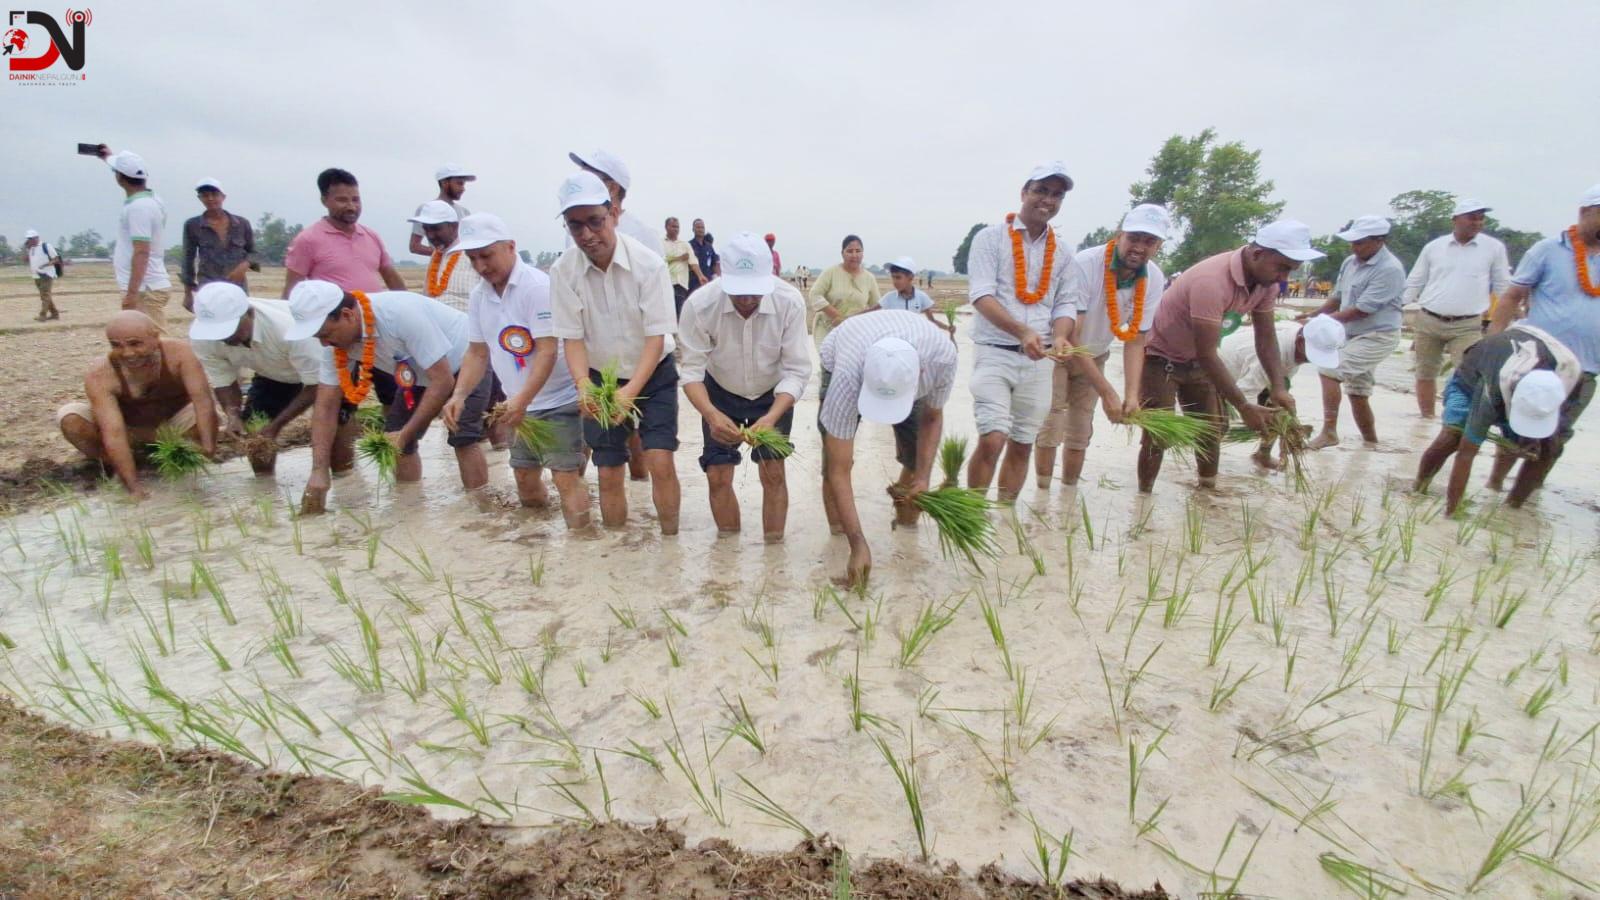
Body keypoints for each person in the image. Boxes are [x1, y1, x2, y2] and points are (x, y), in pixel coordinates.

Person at [1138, 219, 1320, 492]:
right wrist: (1244, 407)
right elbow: (1208, 352)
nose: (1284, 278)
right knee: (1159, 435)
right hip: (1160, 356)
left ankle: (1208, 495)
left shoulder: (1266, 283)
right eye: (1282, 268)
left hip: (1198, 360)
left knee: (1210, 431)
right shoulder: (1211, 281)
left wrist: (1278, 387)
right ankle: (1143, 500)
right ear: (1258, 254)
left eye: (1290, 271)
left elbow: (1266, 336)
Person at [286, 280, 493, 514]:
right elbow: (325, 407)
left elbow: (443, 380)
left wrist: (406, 434)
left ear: (347, 315)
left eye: (325, 334)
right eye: (318, 337)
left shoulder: (398, 315)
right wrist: (319, 470)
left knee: (462, 434)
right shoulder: (334, 345)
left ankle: (480, 510)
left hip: (466, 360)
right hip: (417, 373)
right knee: (394, 441)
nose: (324, 342)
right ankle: (410, 510)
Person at [550, 172, 681, 534]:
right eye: (576, 226)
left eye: (595, 221)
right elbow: (572, 338)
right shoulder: (563, 271)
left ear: (614, 214)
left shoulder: (648, 264)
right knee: (608, 470)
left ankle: (671, 548)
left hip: (653, 371)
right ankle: (616, 556)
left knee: (659, 461)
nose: (587, 235)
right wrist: (583, 386)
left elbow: (657, 336)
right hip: (598, 375)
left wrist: (630, 390)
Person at [444, 214, 591, 528]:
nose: (481, 266)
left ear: (510, 247)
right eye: (472, 259)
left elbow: (548, 350)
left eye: (487, 255)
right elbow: (477, 352)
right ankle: (534, 545)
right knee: (524, 478)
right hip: (517, 406)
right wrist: (459, 394)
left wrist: (522, 400)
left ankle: (584, 547)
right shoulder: (479, 296)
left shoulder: (537, 287)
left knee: (565, 478)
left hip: (559, 400)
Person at [678, 231, 813, 542]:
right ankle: (728, 553)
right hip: (720, 393)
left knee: (773, 472)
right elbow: (692, 372)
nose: (748, 300)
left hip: (773, 394)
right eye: (740, 292)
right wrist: (711, 414)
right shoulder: (700, 305)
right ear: (723, 276)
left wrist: (773, 415)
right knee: (717, 475)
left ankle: (773, 554)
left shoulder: (789, 302)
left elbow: (796, 370)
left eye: (755, 292)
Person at [817, 311, 957, 586]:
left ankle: (905, 526)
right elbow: (839, 469)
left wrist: (924, 478)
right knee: (832, 460)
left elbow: (932, 417)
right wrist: (857, 543)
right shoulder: (848, 373)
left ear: (920, 374)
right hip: (842, 351)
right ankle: (838, 536)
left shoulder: (943, 358)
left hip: (909, 358)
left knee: (916, 459)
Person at [1036, 204, 1170, 489]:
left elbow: (1136, 340)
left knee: (1080, 428)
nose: (1139, 247)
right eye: (1134, 237)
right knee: (1052, 423)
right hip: (1057, 351)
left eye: (1149, 241)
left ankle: (1068, 495)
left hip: (1095, 355)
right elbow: (1072, 335)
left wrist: (1131, 396)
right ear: (1119, 235)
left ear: (1158, 246)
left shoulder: (1154, 278)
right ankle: (1043, 494)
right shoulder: (1086, 264)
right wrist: (1108, 391)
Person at [962, 162, 1075, 501]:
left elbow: (1066, 304)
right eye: (1041, 191)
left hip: (1040, 360)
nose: (1048, 200)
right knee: (993, 436)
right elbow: (981, 295)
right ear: (1024, 193)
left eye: (1057, 195)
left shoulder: (1063, 252)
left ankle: (1006, 518)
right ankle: (971, 512)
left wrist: (1061, 336)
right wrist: (1022, 331)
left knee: (1024, 442)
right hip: (994, 351)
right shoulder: (990, 239)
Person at [1484, 184, 1600, 493]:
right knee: (1517, 428)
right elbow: (1512, 296)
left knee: (1557, 435)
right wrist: (1492, 343)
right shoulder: (1547, 250)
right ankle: (1495, 484)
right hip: (1540, 358)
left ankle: (1521, 501)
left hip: (1587, 367)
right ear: (1586, 212)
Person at [1414, 325, 1581, 516]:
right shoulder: (1491, 390)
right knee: (1453, 436)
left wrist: (1537, 441)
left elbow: (1555, 435)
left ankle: (1511, 508)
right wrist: (1452, 515)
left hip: (1531, 365)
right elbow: (1466, 455)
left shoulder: (1571, 377)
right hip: (1472, 377)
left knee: (1548, 448)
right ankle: (1419, 487)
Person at [57, 311, 218, 498]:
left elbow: (203, 401)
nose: (128, 353)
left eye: (135, 343)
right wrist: (133, 488)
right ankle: (122, 463)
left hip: (173, 426)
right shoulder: (99, 375)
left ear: (155, 337)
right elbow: (114, 431)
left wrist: (208, 449)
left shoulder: (181, 354)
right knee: (70, 418)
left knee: (206, 418)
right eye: (116, 346)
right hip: (129, 430)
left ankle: (174, 457)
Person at [188, 282, 326, 473]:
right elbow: (223, 380)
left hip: (326, 365)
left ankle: (343, 477)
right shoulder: (204, 338)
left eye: (230, 330)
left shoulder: (289, 328)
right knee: (256, 436)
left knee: (337, 421)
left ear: (250, 314)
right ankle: (265, 488)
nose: (225, 339)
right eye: (217, 333)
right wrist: (233, 414)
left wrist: (276, 425)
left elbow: (317, 384)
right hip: (274, 372)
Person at [1301, 215, 1405, 449]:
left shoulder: (1390, 269)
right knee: (1358, 392)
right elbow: (1338, 298)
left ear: (1379, 241)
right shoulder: (1350, 262)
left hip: (1378, 335)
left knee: (1329, 370)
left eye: (1360, 242)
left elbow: (1362, 310)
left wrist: (1318, 324)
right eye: (1353, 242)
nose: (1354, 247)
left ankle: (1329, 431)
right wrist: (1314, 316)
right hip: (1350, 334)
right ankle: (1371, 444)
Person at [1406, 199, 1511, 418]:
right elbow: (1415, 280)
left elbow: (1502, 286)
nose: (1477, 222)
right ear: (1455, 219)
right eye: (1472, 217)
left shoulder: (1493, 248)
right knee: (1425, 372)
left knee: (1468, 373)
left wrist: (1510, 317)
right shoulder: (1434, 247)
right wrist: (1400, 305)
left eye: (1481, 218)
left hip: (1467, 324)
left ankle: (1457, 418)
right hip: (1429, 318)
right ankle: (1426, 420)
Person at [1221, 314, 1344, 467]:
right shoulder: (1274, 353)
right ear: (1300, 342)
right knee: (1219, 423)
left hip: (1256, 373)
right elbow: (1246, 392)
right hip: (1222, 370)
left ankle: (1263, 455)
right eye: (1308, 357)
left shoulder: (1300, 334)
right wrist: (1255, 420)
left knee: (1278, 410)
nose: (1308, 361)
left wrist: (1289, 423)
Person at [283, 168, 407, 299]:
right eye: (342, 200)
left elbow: (392, 279)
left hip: (373, 316)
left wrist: (410, 306)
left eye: (355, 200)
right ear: (324, 200)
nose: (351, 207)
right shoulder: (307, 240)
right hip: (334, 318)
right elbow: (292, 292)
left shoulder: (371, 236)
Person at [99, 149, 173, 328]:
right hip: (149, 285)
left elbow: (141, 252)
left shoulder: (138, 208)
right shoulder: (152, 199)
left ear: (119, 177)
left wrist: (132, 294)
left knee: (152, 343)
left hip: (145, 289)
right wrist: (107, 157)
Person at [180, 178, 257, 312]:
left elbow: (255, 253)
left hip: (237, 287)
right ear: (200, 198)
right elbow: (188, 259)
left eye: (214, 194)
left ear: (223, 197)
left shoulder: (242, 224)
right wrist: (187, 294)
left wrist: (245, 265)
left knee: (241, 326)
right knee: (211, 326)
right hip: (209, 287)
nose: (210, 199)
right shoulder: (192, 226)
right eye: (205, 195)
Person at [568, 149, 659, 249]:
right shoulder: (574, 231)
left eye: (590, 181)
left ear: (612, 188)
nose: (581, 186)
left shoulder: (644, 235)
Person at [408, 201, 480, 313]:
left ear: (454, 226)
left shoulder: (474, 253)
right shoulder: (436, 256)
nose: (430, 235)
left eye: (436, 229)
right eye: (426, 229)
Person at [809, 234, 882, 342]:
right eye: (849, 251)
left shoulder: (869, 278)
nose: (854, 255)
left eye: (858, 251)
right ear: (842, 254)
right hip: (828, 328)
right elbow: (814, 294)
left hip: (855, 331)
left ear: (863, 253)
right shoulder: (831, 272)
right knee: (827, 358)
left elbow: (877, 307)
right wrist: (837, 315)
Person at [409, 164, 474, 257]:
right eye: (459, 183)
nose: (463, 189)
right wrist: (443, 255)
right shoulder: (426, 209)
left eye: (463, 184)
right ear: (444, 183)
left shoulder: (465, 212)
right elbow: (414, 246)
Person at [662, 217, 709, 317]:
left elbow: (693, 261)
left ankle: (678, 332)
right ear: (666, 227)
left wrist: (701, 276)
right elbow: (661, 260)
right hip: (666, 282)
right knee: (667, 314)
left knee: (680, 313)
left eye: (677, 227)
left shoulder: (684, 244)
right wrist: (679, 258)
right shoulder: (660, 242)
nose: (676, 229)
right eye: (673, 226)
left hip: (681, 284)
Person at [23, 230, 60, 320]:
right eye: (28, 239)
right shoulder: (31, 248)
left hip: (46, 274)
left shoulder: (46, 246)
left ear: (37, 238)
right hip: (36, 275)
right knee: (45, 295)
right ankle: (55, 314)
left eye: (31, 238)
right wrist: (27, 249)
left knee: (45, 295)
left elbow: (56, 259)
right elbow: (25, 260)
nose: (29, 240)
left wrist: (46, 265)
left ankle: (42, 315)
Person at [689, 218, 720, 292]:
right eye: (698, 227)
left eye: (702, 227)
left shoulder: (709, 246)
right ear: (693, 229)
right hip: (694, 283)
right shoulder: (689, 245)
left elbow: (714, 264)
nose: (700, 229)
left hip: (708, 283)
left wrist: (719, 279)